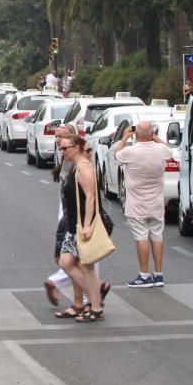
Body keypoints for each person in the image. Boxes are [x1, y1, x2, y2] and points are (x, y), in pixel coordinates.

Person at [44, 126, 108, 313]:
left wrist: (87, 225)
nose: (61, 149)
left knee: (83, 265)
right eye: (59, 145)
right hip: (72, 223)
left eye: (65, 145)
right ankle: (93, 297)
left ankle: (93, 305)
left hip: (81, 225)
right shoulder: (71, 165)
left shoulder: (83, 167)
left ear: (77, 146)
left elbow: (90, 197)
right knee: (66, 262)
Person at [116, 121, 172, 288]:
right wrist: (154, 137)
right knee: (157, 236)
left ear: (136, 134)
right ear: (152, 134)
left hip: (136, 204)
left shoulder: (129, 151)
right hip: (156, 203)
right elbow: (169, 150)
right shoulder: (160, 150)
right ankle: (159, 274)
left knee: (141, 237)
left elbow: (117, 155)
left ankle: (144, 275)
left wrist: (125, 136)